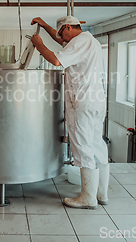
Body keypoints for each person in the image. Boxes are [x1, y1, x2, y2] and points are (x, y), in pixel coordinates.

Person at [30, 15, 109, 210]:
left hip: (82, 101)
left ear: (67, 27)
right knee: (97, 144)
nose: (62, 40)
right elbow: (62, 42)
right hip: (97, 101)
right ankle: (101, 193)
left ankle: (87, 198)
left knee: (83, 146)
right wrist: (45, 25)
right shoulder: (90, 41)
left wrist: (38, 44)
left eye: (62, 34)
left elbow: (56, 60)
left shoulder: (80, 42)